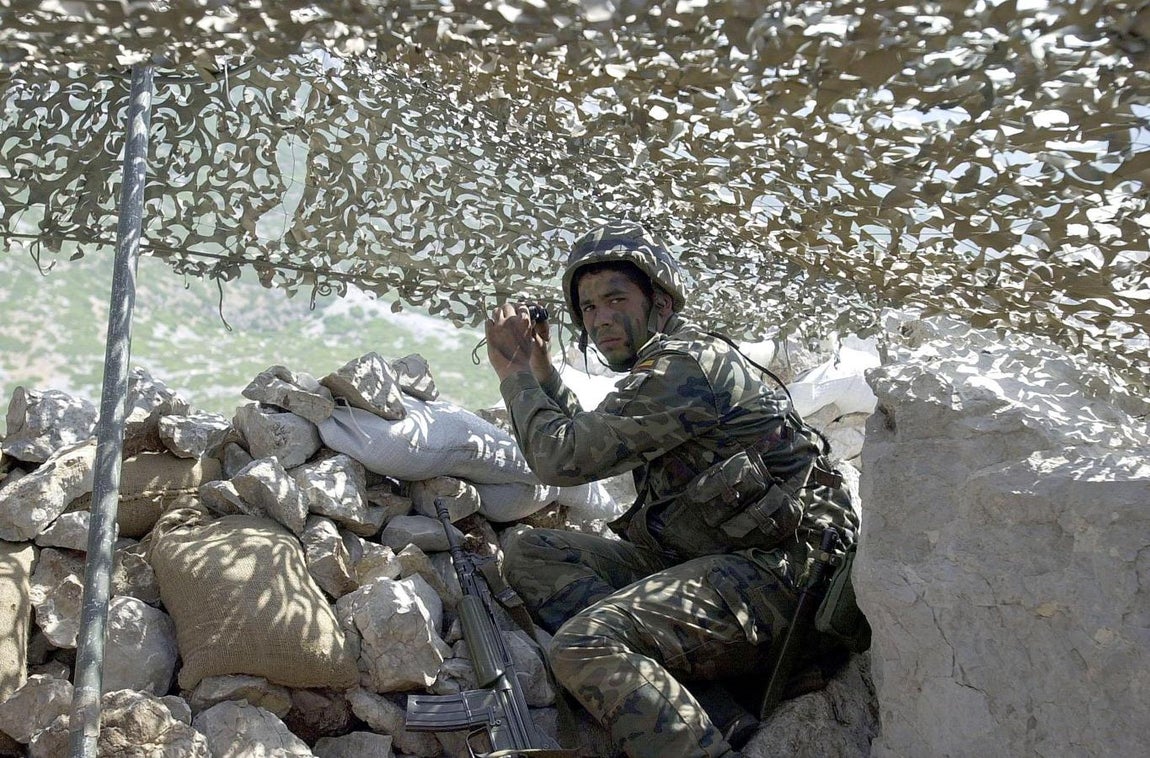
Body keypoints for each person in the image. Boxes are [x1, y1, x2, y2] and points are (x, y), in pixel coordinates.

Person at [483, 222, 857, 758]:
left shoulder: (687, 368)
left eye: (616, 298)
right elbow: (587, 442)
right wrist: (540, 372)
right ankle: (711, 707)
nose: (600, 318)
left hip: (782, 580)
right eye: (587, 308)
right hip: (718, 562)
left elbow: (559, 458)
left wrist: (515, 376)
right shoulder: (662, 371)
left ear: (661, 303)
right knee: (533, 553)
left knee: (586, 644)